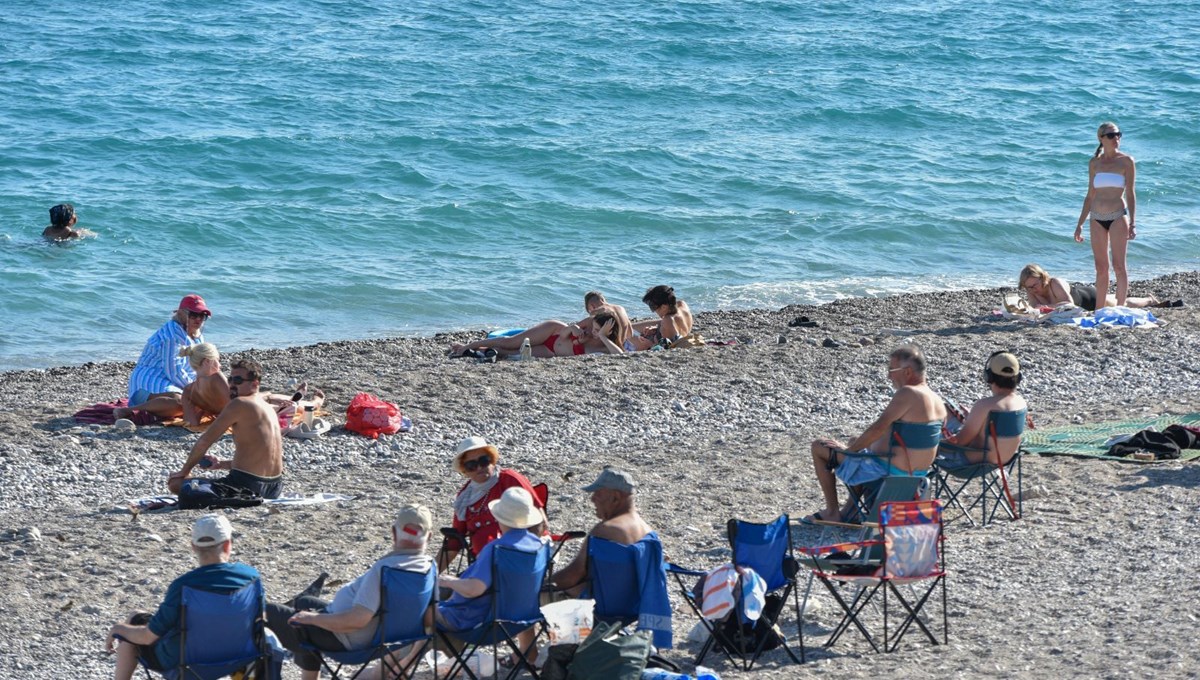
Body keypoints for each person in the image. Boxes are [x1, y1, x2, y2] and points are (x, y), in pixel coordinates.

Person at [266, 505, 435, 680]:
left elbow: (357, 620)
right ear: (429, 537)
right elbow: (429, 616)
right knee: (305, 602)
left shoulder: (386, 571)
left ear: (393, 533)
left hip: (347, 640)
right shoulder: (430, 568)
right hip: (381, 638)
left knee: (268, 612)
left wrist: (312, 619)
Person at [105, 514, 260, 680]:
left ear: (193, 546)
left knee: (134, 620)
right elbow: (258, 619)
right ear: (228, 545)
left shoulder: (184, 585)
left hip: (186, 662)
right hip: (237, 656)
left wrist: (118, 629)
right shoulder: (251, 577)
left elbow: (148, 637)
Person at [807, 345, 947, 523]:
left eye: (891, 370)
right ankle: (850, 510)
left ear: (908, 371)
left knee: (819, 446)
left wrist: (849, 450)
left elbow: (878, 428)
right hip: (918, 474)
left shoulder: (908, 393)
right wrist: (855, 445)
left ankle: (832, 512)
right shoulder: (937, 400)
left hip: (886, 470)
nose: (889, 376)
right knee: (856, 441)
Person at [437, 487, 546, 666]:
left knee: (424, 611)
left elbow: (474, 589)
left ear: (499, 518)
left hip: (483, 625)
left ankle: (396, 667)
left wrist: (448, 581)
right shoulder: (539, 546)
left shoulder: (497, 549)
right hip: (522, 620)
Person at [167, 358, 285, 499]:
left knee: (176, 483)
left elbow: (205, 441)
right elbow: (261, 457)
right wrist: (221, 464)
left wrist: (184, 471)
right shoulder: (267, 407)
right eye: (231, 380)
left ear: (255, 384)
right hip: (275, 487)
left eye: (238, 381)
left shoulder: (239, 403)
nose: (232, 385)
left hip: (247, 485)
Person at [439, 436, 546, 570]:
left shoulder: (509, 479)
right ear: (464, 470)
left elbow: (540, 521)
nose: (479, 468)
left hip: (520, 557)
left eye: (484, 461)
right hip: (484, 564)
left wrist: (523, 554)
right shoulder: (464, 498)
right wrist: (427, 577)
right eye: (471, 465)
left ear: (492, 460)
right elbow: (454, 542)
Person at [177, 342, 325, 428]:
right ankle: (314, 403)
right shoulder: (216, 378)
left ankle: (289, 400)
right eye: (217, 360)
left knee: (268, 395)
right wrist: (274, 407)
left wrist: (205, 410)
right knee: (271, 398)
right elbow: (238, 403)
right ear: (208, 362)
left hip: (229, 413)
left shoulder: (188, 391)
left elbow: (192, 423)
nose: (220, 365)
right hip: (245, 412)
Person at [116, 294, 211, 420]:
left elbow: (196, 368)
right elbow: (173, 372)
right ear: (181, 313)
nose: (198, 319)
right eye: (193, 315)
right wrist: (196, 390)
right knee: (181, 404)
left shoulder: (197, 336)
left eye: (202, 316)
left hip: (172, 383)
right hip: (150, 381)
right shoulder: (171, 336)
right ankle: (128, 411)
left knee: (197, 404)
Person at [1074, 121, 1137, 309]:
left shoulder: (1126, 161)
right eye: (1111, 135)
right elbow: (1090, 195)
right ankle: (1099, 311)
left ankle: (1119, 308)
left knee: (1119, 267)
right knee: (1101, 269)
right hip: (1096, 218)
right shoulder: (1094, 163)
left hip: (1118, 216)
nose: (1116, 138)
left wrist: (1133, 222)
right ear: (1101, 139)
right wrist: (1080, 224)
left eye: (1118, 134)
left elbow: (1131, 193)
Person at [939, 352, 1028, 467]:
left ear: (988, 377)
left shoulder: (984, 406)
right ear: (1018, 377)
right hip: (1005, 461)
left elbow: (960, 442)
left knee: (942, 411)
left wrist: (934, 444)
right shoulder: (1021, 403)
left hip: (971, 462)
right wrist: (974, 419)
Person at [450, 311, 624, 358]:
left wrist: (601, 335)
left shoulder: (604, 345)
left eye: (597, 329)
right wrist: (573, 328)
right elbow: (566, 332)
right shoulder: (588, 326)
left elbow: (621, 356)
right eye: (594, 328)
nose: (593, 331)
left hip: (551, 352)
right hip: (553, 332)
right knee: (509, 342)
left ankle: (477, 351)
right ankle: (466, 346)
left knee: (511, 353)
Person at [1017, 263, 1160, 311]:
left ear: (1042, 278)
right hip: (1082, 299)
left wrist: (1045, 308)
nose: (1032, 289)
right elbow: (1035, 309)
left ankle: (1149, 300)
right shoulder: (1031, 290)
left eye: (1034, 285)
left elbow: (1069, 304)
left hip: (1089, 298)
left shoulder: (1055, 283)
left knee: (1122, 303)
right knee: (1116, 299)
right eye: (1028, 287)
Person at [631, 285, 693, 349]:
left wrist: (650, 344)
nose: (654, 311)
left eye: (654, 307)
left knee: (628, 332)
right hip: (682, 335)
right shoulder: (682, 304)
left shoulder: (667, 320)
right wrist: (657, 328)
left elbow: (667, 348)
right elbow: (676, 329)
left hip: (663, 344)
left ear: (664, 307)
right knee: (630, 329)